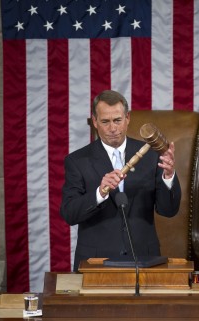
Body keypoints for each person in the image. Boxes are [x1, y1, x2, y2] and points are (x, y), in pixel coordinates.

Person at [60, 90, 181, 271]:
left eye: (117, 120)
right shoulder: (77, 161)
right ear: (94, 122)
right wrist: (100, 193)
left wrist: (169, 176)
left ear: (127, 118)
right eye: (105, 121)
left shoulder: (151, 155)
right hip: (95, 262)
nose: (112, 128)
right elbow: (69, 214)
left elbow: (168, 210)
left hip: (144, 259)